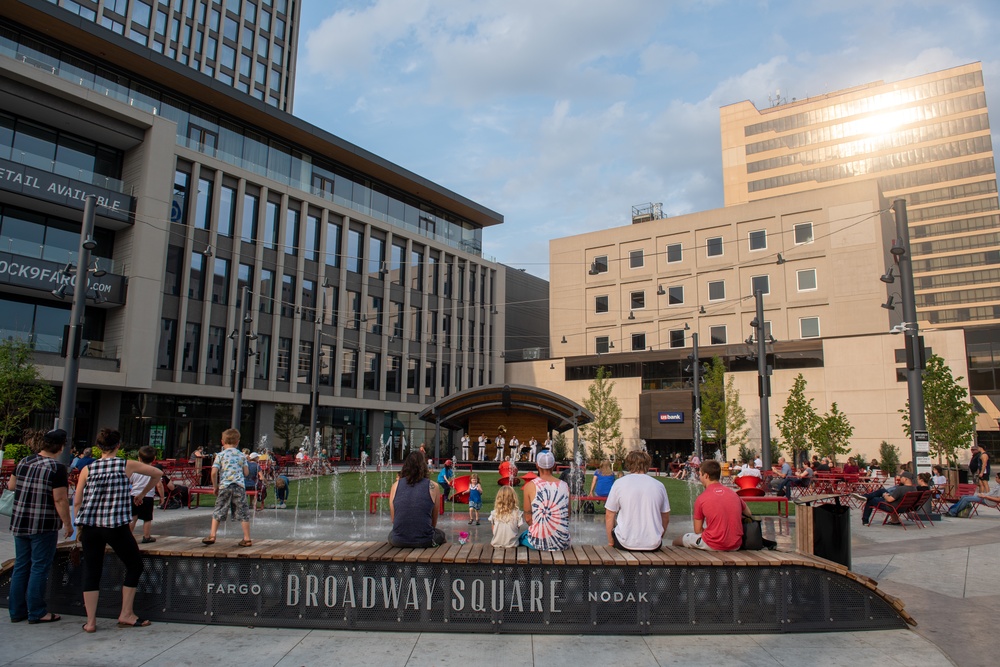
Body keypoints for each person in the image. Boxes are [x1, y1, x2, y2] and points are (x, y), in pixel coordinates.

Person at [74, 427, 162, 632]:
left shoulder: (88, 469)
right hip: (115, 526)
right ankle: (126, 613)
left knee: (92, 571)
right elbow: (157, 473)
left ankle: (91, 622)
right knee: (134, 565)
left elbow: (77, 500)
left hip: (90, 526)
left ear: (98, 447)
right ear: (118, 445)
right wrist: (142, 493)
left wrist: (79, 525)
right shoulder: (126, 465)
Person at [7, 428, 72, 624]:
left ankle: (17, 611)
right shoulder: (57, 468)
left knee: (21, 566)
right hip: (43, 524)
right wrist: (68, 524)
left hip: (20, 521)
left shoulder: (24, 462)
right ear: (60, 447)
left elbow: (11, 486)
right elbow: (60, 499)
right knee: (39, 567)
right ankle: (36, 611)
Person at [673, 460, 751, 551]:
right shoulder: (733, 494)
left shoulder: (702, 498)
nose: (699, 477)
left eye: (700, 475)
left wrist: (713, 533)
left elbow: (698, 530)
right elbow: (748, 513)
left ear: (706, 476)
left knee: (678, 540)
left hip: (713, 544)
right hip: (735, 545)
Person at [605, 450, 669, 551]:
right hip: (653, 544)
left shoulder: (619, 483)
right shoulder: (659, 485)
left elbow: (609, 514)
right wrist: (659, 537)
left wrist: (611, 541)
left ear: (629, 464)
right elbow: (665, 517)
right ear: (647, 465)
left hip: (625, 542)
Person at [202, 429, 252, 547]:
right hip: (239, 486)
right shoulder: (242, 455)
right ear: (238, 442)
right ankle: (247, 538)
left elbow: (214, 472)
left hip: (225, 486)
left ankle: (212, 535)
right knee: (243, 511)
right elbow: (246, 473)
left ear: (222, 441)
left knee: (219, 509)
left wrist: (215, 486)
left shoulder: (220, 455)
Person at [388, 451, 446, 548]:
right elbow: (433, 522)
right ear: (424, 466)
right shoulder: (433, 486)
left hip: (398, 540)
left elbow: (394, 519)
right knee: (441, 535)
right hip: (425, 540)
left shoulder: (395, 486)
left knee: (392, 534)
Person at [520, 450, 570, 551]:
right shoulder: (564, 486)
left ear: (537, 465)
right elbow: (567, 514)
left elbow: (528, 518)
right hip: (562, 542)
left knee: (522, 537)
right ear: (554, 465)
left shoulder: (530, 486)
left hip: (538, 543)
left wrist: (542, 528)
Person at [852, 470, 917, 526]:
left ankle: (865, 520)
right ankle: (865, 496)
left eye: (901, 477)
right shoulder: (914, 489)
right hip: (904, 507)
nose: (900, 478)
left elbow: (889, 499)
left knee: (871, 500)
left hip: (892, 507)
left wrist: (885, 495)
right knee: (882, 490)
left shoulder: (900, 489)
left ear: (905, 479)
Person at [128, 446, 158, 544]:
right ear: (154, 459)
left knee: (133, 516)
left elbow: (130, 481)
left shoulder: (135, 470)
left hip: (134, 494)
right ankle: (146, 536)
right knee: (147, 518)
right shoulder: (154, 471)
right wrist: (162, 497)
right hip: (148, 496)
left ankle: (128, 535)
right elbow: (159, 484)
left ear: (139, 458)